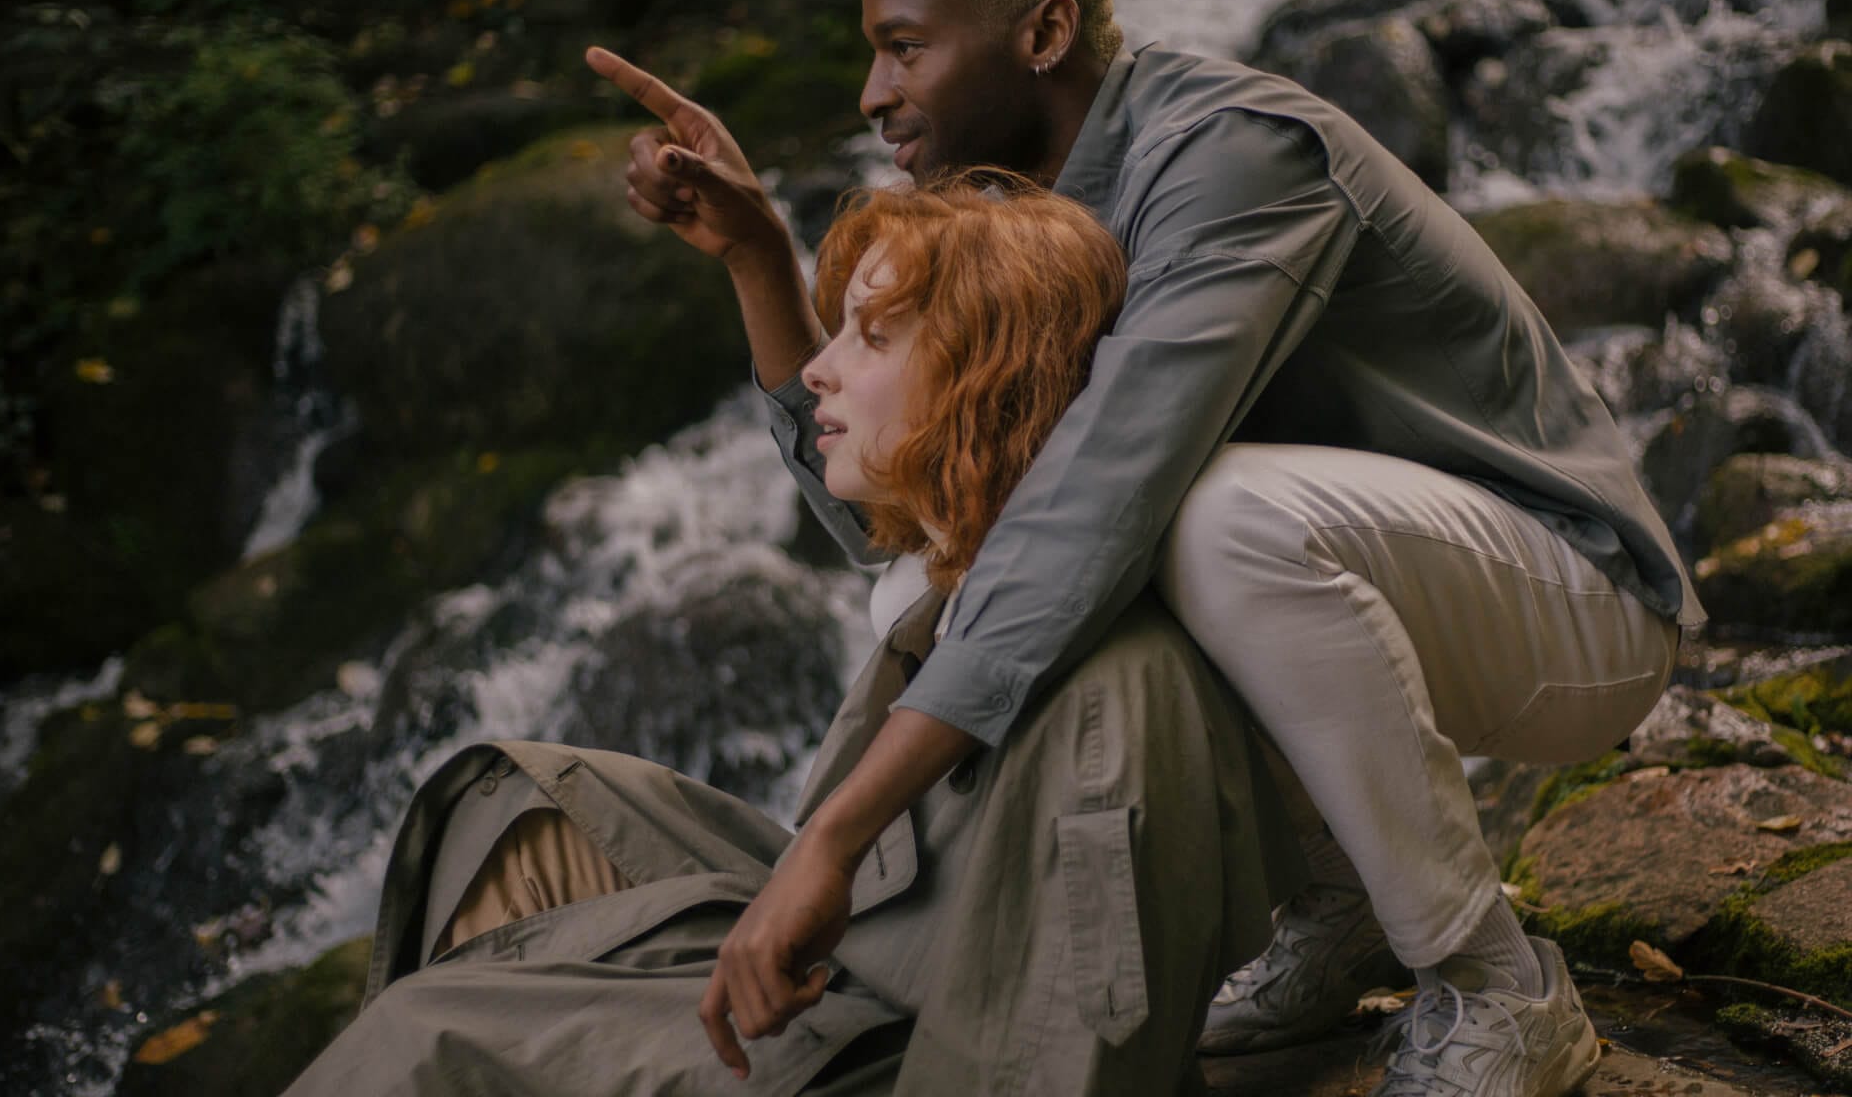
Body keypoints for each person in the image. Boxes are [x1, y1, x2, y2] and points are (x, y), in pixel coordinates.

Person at [585, 0, 1702, 1097]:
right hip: (1377, 597)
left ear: (1045, 33)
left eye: (904, 48)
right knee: (943, 584)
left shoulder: (1233, 154)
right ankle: (1344, 908)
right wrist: (758, 257)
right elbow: (910, 519)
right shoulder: (1021, 215)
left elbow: (1100, 500)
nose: (872, 93)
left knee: (1210, 522)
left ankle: (1498, 982)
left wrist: (840, 834)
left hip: (1569, 594)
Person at [283, 178, 1295, 1096]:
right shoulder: (960, 584)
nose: (819, 369)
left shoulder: (1106, 705)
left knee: (435, 1028)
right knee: (515, 804)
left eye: (873, 338)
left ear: (991, 381)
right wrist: (754, 253)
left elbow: (1061, 1054)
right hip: (865, 966)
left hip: (896, 1054)